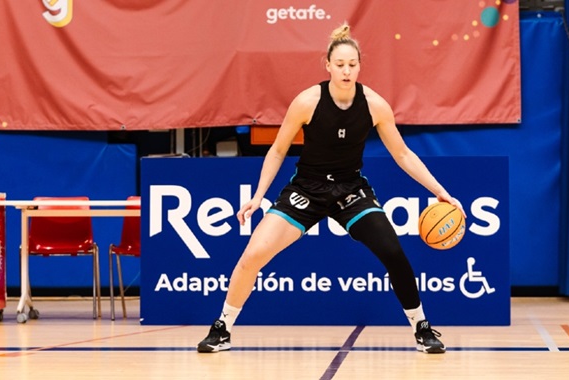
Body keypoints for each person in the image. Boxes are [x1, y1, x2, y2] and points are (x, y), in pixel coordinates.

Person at [197, 23, 465, 354]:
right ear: (327, 65)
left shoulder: (375, 105)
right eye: (340, 64)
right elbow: (278, 150)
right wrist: (258, 196)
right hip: (306, 189)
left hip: (351, 190)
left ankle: (422, 328)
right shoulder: (306, 102)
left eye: (352, 64)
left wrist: (441, 191)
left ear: (360, 66)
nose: (347, 70)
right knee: (253, 254)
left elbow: (402, 153)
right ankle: (222, 328)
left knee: (393, 252)